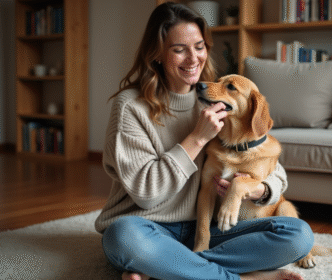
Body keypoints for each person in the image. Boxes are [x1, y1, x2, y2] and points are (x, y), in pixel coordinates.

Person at [95, 2, 314, 280]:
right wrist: (197, 138)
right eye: (179, 49)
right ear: (157, 54)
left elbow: (271, 167)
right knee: (122, 238)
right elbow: (146, 195)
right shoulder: (130, 108)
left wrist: (259, 190)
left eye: (199, 46)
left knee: (298, 235)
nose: (193, 58)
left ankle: (170, 268)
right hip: (149, 227)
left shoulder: (215, 97)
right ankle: (237, 277)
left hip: (210, 228)